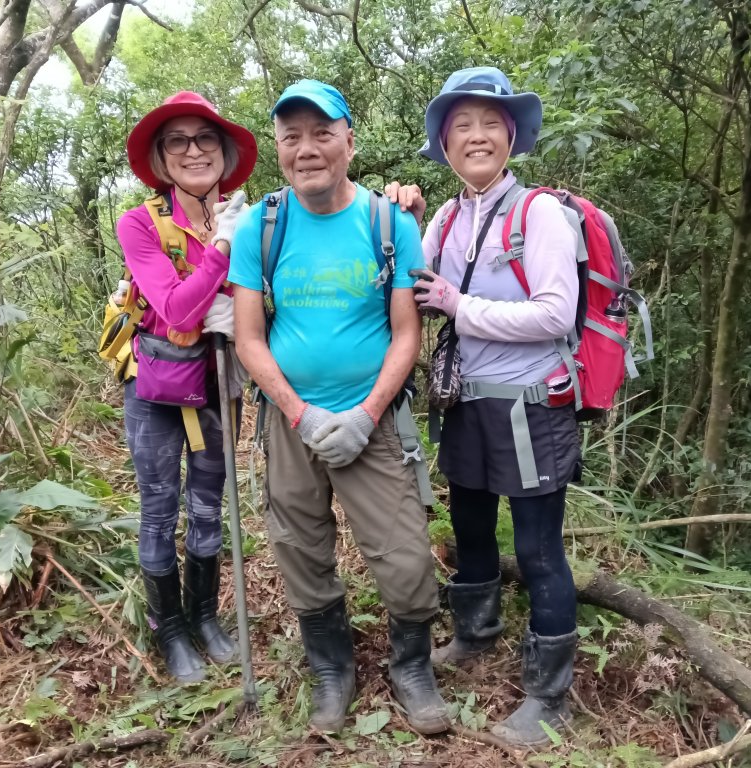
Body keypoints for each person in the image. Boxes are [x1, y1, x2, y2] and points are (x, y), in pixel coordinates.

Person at [228, 80, 451, 735]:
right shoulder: (260, 226)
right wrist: (301, 414)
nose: (307, 149)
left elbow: (408, 332)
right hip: (292, 423)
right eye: (291, 137)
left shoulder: (388, 223)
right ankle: (332, 668)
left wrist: (364, 413)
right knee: (299, 547)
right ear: (277, 148)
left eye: (322, 133)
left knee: (406, 559)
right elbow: (248, 337)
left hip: (374, 422)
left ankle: (413, 668)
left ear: (349, 141)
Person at [412, 66, 582, 746]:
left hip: (531, 407)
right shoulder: (449, 218)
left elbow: (555, 314)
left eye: (489, 123)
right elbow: (404, 281)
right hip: (468, 407)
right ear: (445, 145)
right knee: (473, 530)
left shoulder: (536, 213)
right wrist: (398, 218)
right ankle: (475, 638)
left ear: (510, 136)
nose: (476, 136)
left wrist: (460, 307)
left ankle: (550, 696)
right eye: (461, 126)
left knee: (539, 550)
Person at [117, 91, 255, 684]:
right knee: (159, 509)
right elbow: (173, 307)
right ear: (163, 158)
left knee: (207, 505)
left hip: (219, 379)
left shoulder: (252, 219)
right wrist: (222, 248)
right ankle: (168, 628)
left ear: (224, 153)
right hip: (156, 385)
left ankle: (204, 616)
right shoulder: (140, 224)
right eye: (179, 140)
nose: (194, 150)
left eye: (205, 139)